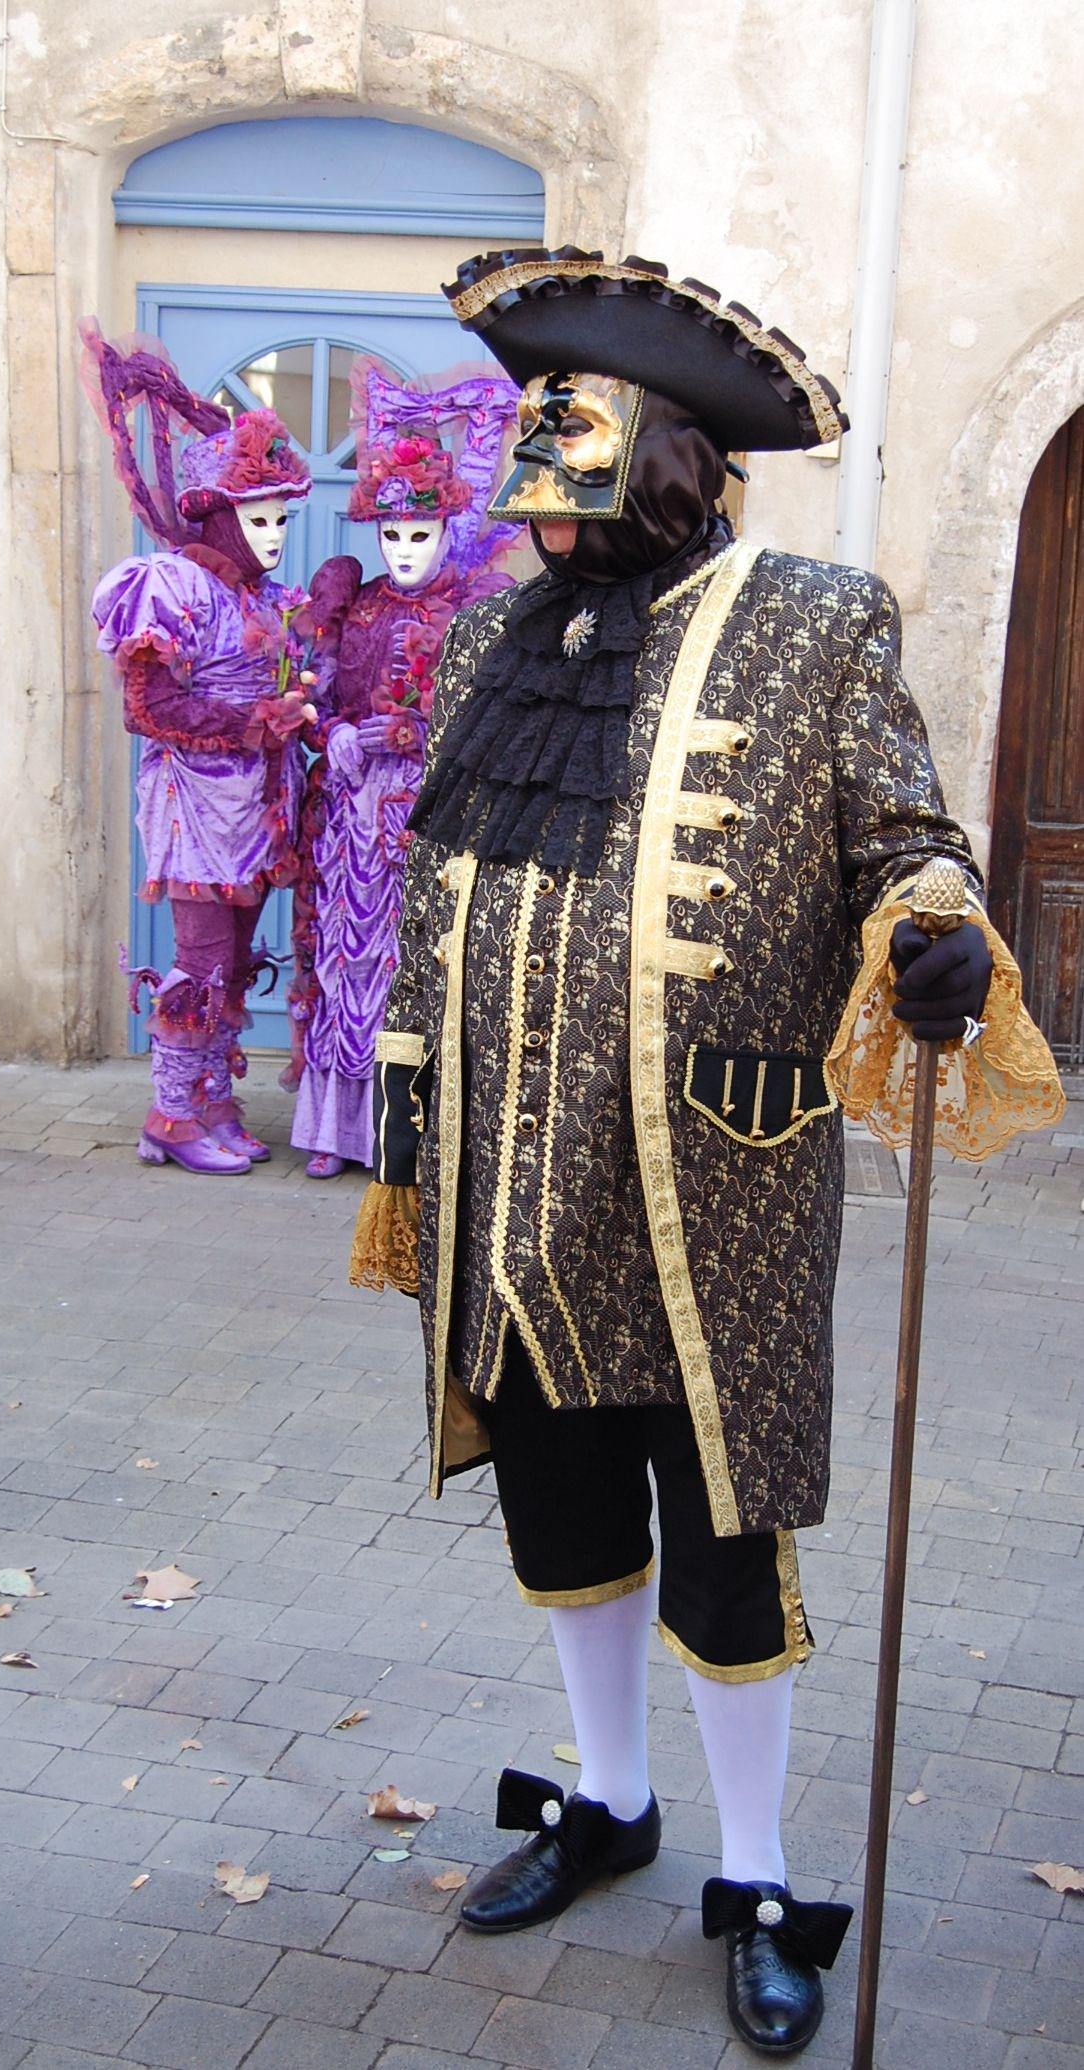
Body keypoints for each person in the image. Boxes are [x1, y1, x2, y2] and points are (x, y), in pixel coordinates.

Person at [350, 249, 1063, 2054]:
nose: (555, 550)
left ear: (666, 481)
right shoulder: (492, 640)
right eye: (542, 520)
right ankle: (609, 1802)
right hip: (510, 1174)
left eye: (586, 518)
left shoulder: (817, 618)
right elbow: (440, 880)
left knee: (727, 1541)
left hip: (706, 1186)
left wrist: (930, 925)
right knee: (561, 1510)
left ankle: (752, 1870)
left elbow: (904, 831)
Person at [84, 324, 325, 1174]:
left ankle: (214, 1103)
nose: (273, 535)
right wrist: (254, 720)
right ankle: (171, 1115)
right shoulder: (172, 585)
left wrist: (298, 712)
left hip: (258, 806)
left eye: (282, 518)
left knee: (239, 958)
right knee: (201, 958)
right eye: (257, 518)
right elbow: (147, 705)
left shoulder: (268, 600)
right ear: (218, 517)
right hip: (195, 805)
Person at [291, 362, 520, 1178]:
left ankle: (407, 1131)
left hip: (429, 814)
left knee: (414, 962)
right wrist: (337, 733)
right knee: (346, 957)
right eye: (392, 536)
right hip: (354, 816)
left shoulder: (476, 608)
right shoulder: (356, 601)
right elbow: (320, 695)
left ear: (445, 528)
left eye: (420, 534)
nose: (405, 551)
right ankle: (335, 1128)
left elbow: (483, 720)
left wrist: (403, 734)